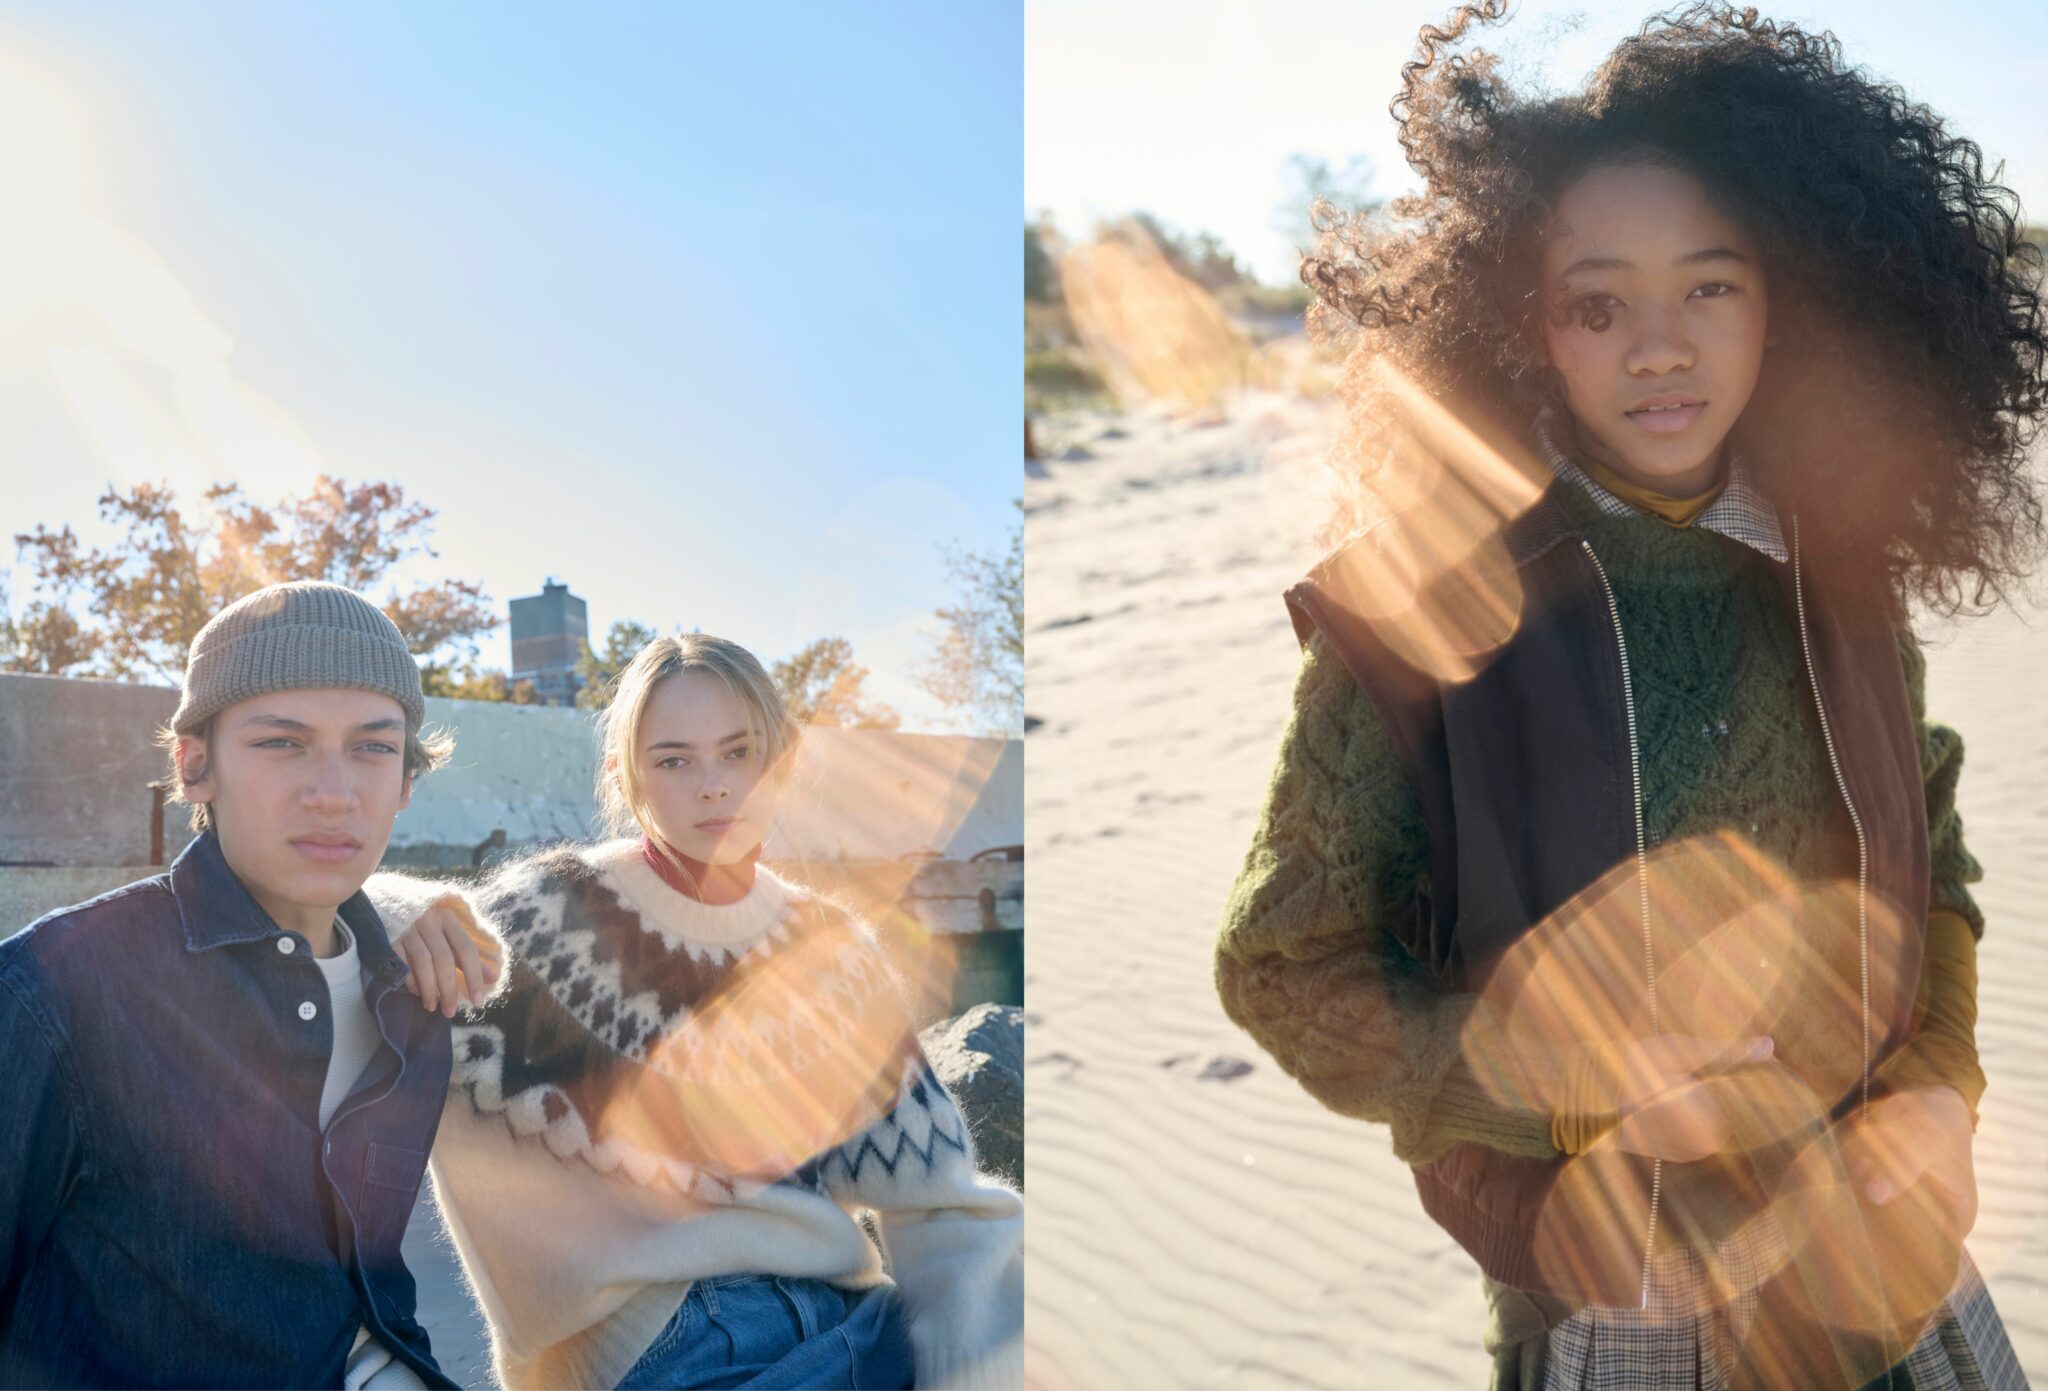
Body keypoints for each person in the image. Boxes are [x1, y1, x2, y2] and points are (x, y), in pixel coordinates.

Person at [1214, 4, 2042, 1388]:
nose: (1660, 346)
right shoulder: (1415, 613)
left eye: (1711, 286)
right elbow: (1282, 967)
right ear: (1523, 325)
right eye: (1599, 302)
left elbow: (1936, 871)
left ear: (1792, 296)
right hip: (1629, 1297)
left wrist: (1943, 1091)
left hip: (1888, 1269)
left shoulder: (1839, 567)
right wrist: (1570, 1080)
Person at [370, 633, 1024, 1390]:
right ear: (626, 776)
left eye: (739, 752)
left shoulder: (834, 953)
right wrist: (406, 907)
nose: (714, 786)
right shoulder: (553, 914)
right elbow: (361, 935)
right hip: (672, 1344)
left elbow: (942, 1205)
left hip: (860, 1325)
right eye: (674, 759)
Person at [0, 581, 462, 1388]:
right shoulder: (57, 991)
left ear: (408, 780)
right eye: (282, 743)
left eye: (373, 746)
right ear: (194, 763)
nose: (333, 790)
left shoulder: (414, 992)